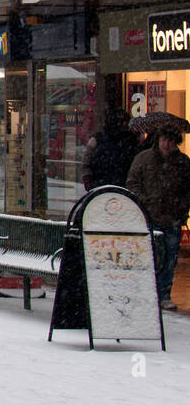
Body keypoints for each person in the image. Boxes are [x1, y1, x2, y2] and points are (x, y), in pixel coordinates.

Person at [126, 125, 190, 311]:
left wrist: (181, 207)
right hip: (149, 216)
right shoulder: (144, 159)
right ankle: (150, 293)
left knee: (169, 259)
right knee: (152, 258)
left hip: (172, 217)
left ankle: (164, 294)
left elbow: (187, 189)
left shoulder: (182, 162)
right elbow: (132, 183)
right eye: (165, 140)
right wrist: (144, 201)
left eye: (171, 141)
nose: (167, 144)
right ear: (158, 140)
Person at [81, 109, 140, 191]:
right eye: (120, 122)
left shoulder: (131, 141)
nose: (123, 125)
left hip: (122, 188)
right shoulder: (98, 139)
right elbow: (86, 163)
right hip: (102, 187)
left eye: (125, 121)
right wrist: (89, 183)